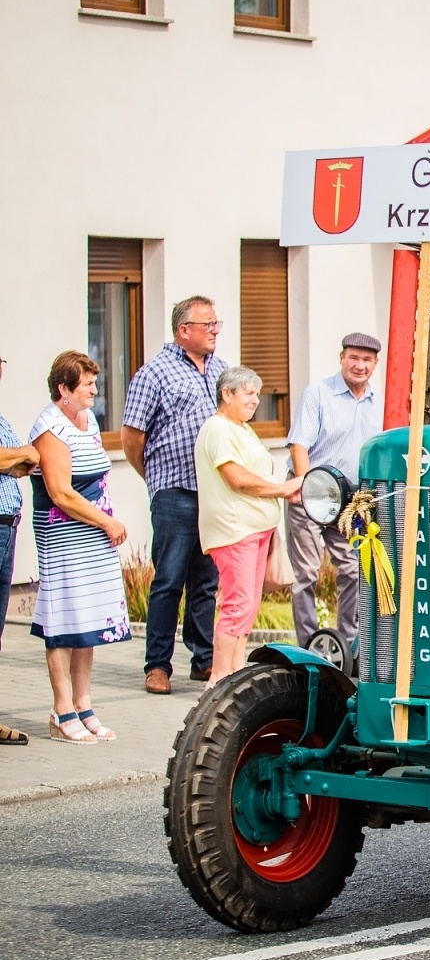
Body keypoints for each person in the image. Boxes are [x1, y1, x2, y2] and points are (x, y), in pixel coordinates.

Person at [121, 296, 228, 694]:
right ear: (184, 331)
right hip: (174, 492)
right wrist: (153, 476)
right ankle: (158, 665)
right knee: (168, 580)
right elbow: (132, 437)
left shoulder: (219, 369)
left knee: (206, 580)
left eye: (218, 323)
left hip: (215, 494)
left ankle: (203, 659)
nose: (216, 330)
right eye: (209, 324)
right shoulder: (154, 374)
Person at [30, 352, 130, 743]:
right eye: (86, 383)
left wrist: (105, 522)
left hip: (95, 535)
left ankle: (84, 705)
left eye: (93, 381)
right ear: (64, 389)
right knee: (64, 621)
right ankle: (61, 708)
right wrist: (106, 520)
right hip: (64, 536)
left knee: (89, 621)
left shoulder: (88, 422)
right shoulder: (50, 427)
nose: (94, 389)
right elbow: (60, 493)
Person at [195, 367, 303, 683]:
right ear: (227, 394)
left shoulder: (242, 428)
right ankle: (219, 679)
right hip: (234, 529)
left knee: (248, 608)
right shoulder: (218, 428)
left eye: (258, 393)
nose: (255, 400)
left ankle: (236, 675)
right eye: (248, 393)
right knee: (237, 605)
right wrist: (282, 489)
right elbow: (238, 478)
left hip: (257, 531)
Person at [286, 333, 382, 647]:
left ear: (375, 364)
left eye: (367, 360)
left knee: (354, 570)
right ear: (341, 358)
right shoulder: (318, 394)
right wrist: (304, 486)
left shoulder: (379, 403)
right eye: (354, 358)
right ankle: (309, 646)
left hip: (349, 501)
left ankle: (348, 642)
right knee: (306, 575)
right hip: (312, 494)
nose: (359, 365)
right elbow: (299, 444)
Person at [0, 355, 40, 745]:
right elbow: (14, 456)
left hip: (7, 528)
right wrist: (20, 454)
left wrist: (17, 460)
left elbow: (16, 463)